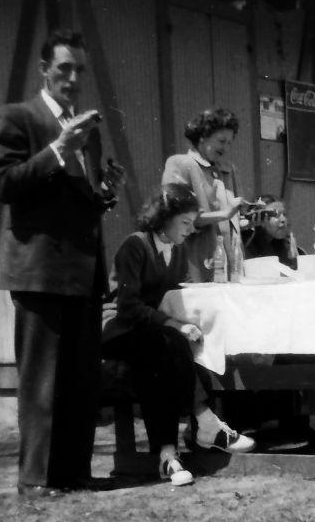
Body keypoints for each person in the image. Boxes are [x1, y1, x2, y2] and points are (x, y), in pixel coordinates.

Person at [0, 29, 125, 497]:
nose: (72, 78)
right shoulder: (18, 117)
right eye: (63, 68)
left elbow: (78, 200)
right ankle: (36, 480)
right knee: (42, 381)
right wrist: (58, 149)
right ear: (44, 69)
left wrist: (103, 193)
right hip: (39, 270)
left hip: (82, 271)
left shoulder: (88, 129)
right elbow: (5, 184)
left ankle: (73, 473)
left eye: (79, 70)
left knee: (80, 380)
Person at [103, 183, 255, 486]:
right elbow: (128, 307)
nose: (190, 229)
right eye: (185, 223)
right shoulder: (135, 246)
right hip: (119, 329)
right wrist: (174, 324)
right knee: (167, 342)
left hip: (153, 335)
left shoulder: (178, 249)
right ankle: (205, 421)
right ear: (163, 219)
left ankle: (169, 456)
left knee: (165, 353)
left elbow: (181, 290)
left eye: (191, 223)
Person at [162, 109, 245, 282]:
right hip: (196, 265)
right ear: (203, 137)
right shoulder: (181, 164)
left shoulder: (228, 170)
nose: (226, 148)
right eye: (221, 141)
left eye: (230, 142)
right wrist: (225, 214)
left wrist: (246, 220)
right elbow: (176, 217)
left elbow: (230, 222)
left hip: (230, 266)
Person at [242, 195, 300, 270]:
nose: (283, 220)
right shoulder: (247, 248)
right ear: (259, 219)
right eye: (276, 215)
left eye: (284, 214)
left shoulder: (286, 246)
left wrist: (295, 260)